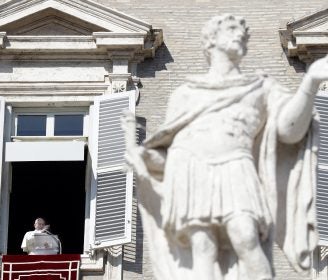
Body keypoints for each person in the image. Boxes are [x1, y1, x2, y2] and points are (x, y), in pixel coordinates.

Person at [122, 14, 328, 280]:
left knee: (246, 237)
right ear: (211, 39)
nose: (240, 34)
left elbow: (290, 132)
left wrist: (310, 84)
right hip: (192, 170)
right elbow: (168, 153)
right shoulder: (185, 93)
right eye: (231, 29)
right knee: (202, 247)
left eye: (243, 31)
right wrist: (144, 157)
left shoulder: (261, 87)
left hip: (237, 166)